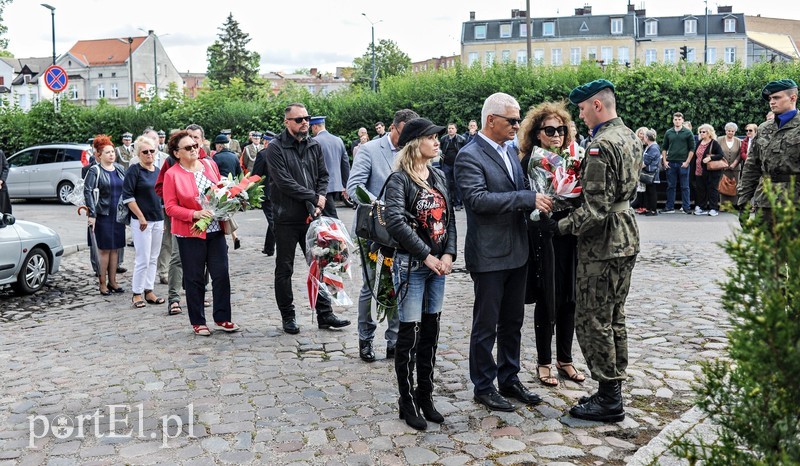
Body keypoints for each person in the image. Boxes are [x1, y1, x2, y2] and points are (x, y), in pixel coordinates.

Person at [454, 92, 553, 412]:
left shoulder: (511, 151)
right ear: (490, 120)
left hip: (518, 251)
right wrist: (526, 199)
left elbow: (522, 190)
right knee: (486, 324)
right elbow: (478, 201)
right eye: (511, 120)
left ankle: (509, 378)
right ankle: (483, 385)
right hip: (489, 254)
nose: (517, 125)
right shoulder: (469, 155)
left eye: (518, 119)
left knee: (512, 321)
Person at [549, 79, 641, 422]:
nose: (581, 114)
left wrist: (558, 226)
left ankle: (608, 398)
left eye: (583, 108)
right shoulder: (629, 136)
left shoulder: (600, 146)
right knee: (614, 315)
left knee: (593, 319)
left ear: (597, 106)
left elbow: (597, 209)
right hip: (625, 235)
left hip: (603, 244)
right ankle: (611, 388)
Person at [384, 117, 457, 430]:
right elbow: (396, 222)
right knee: (409, 335)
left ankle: (425, 394)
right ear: (416, 143)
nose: (437, 141)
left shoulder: (438, 175)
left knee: (430, 330)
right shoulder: (399, 179)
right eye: (432, 137)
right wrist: (427, 256)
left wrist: (449, 254)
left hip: (437, 266)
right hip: (413, 266)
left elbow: (450, 219)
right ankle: (407, 399)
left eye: (438, 137)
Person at [517, 100, 585, 388]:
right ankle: (544, 361)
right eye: (549, 130)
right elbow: (522, 198)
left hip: (569, 232)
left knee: (570, 297)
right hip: (542, 232)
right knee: (548, 296)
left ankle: (565, 360)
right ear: (537, 134)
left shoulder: (575, 158)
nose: (556, 135)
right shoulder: (528, 161)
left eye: (561, 129)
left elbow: (581, 194)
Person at [266, 103, 350, 334]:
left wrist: (320, 197)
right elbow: (284, 182)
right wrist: (314, 196)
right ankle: (288, 316)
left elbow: (323, 175)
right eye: (299, 119)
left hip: (313, 216)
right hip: (286, 217)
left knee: (320, 264)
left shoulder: (314, 145)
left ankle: (325, 314)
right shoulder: (275, 148)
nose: (305, 122)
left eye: (307, 118)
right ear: (287, 122)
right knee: (284, 269)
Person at [346, 108, 419, 362]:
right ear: (393, 127)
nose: (409, 139)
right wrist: (382, 207)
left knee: (400, 283)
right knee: (372, 285)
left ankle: (395, 341)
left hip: (405, 230)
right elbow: (354, 187)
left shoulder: (413, 151)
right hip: (373, 229)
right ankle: (365, 338)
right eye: (404, 133)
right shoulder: (369, 150)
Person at [162, 130, 239, 336]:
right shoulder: (172, 174)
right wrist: (194, 213)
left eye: (195, 145)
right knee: (195, 278)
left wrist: (227, 199)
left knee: (221, 274)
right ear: (177, 153)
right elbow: (170, 207)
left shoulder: (210, 165)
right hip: (190, 233)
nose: (194, 149)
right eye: (188, 148)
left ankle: (223, 318)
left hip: (215, 230)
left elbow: (219, 189)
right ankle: (198, 321)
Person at [738, 79, 800, 226]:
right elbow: (751, 167)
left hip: (795, 202)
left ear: (793, 98)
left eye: (776, 97)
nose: (772, 102)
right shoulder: (764, 128)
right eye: (770, 99)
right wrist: (744, 202)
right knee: (766, 247)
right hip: (765, 203)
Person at [122, 136, 165, 309]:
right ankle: (137, 293)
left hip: (158, 219)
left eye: (151, 151)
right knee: (143, 258)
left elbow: (162, 195)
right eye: (145, 152)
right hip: (142, 221)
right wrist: (140, 216)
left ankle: (149, 290)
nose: (149, 154)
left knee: (154, 257)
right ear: (139, 153)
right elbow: (128, 197)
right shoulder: (134, 170)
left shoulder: (158, 171)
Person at [85, 135, 127, 296]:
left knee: (115, 249)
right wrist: (92, 214)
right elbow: (88, 192)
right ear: (99, 155)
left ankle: (113, 281)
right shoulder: (94, 170)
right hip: (102, 214)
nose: (111, 155)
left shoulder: (119, 169)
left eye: (112, 152)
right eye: (107, 152)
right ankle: (102, 283)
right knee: (103, 250)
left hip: (118, 215)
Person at [310, 116, 350, 218]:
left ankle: (338, 233)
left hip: (321, 186)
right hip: (336, 184)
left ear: (315, 126)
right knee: (326, 216)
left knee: (331, 217)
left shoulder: (314, 141)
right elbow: (345, 164)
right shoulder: (338, 140)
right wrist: (346, 185)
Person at [660, 112, 695, 214]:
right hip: (671, 163)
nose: (677, 121)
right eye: (675, 119)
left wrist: (687, 162)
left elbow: (692, 149)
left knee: (685, 186)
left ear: (682, 120)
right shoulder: (669, 132)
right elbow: (664, 148)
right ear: (673, 120)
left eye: (679, 119)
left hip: (683, 163)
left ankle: (686, 207)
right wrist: (665, 161)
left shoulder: (688, 133)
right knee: (671, 186)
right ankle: (669, 206)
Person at [251, 133, 276, 256]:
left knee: (273, 221)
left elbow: (256, 175)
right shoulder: (280, 153)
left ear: (266, 142)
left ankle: (282, 244)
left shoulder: (262, 154)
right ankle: (269, 248)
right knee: (273, 219)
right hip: (279, 192)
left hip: (267, 193)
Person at [692, 124, 725, 216]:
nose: (701, 133)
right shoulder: (699, 142)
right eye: (700, 132)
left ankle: (713, 208)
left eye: (704, 132)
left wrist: (710, 158)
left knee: (712, 189)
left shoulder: (714, 143)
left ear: (709, 133)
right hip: (699, 170)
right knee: (701, 190)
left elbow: (720, 155)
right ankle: (701, 207)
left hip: (711, 171)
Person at [439, 123, 466, 211]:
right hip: (446, 164)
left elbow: (465, 151)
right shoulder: (443, 139)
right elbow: (441, 150)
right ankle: (448, 203)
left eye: (452, 128)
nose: (450, 130)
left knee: (457, 184)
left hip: (457, 164)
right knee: (446, 184)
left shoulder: (461, 139)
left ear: (456, 130)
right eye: (449, 128)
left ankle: (458, 203)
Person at [717, 122, 743, 208]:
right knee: (723, 185)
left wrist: (734, 163)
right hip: (722, 167)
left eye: (732, 131)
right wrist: (723, 163)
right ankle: (723, 205)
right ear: (725, 131)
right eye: (729, 131)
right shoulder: (719, 139)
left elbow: (740, 154)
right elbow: (716, 152)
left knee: (735, 186)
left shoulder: (739, 141)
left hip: (735, 168)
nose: (730, 133)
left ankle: (734, 205)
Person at [642, 129, 661, 216]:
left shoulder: (653, 148)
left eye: (645, 136)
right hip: (650, 173)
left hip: (652, 173)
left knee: (652, 191)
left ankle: (653, 210)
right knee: (649, 191)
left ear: (647, 137)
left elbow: (646, 162)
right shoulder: (650, 147)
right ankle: (649, 208)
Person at [0, 148, 10, 214]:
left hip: (1, 186)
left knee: (3, 211)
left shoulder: (0, 153)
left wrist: (1, 180)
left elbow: (5, 167)